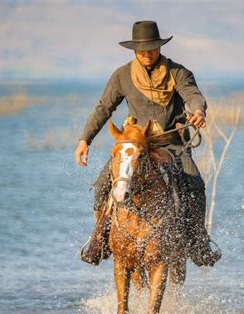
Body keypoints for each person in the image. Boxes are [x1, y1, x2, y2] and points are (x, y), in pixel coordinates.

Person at [75, 21, 221, 267]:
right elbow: (103, 108)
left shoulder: (178, 72)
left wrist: (199, 111)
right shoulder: (122, 76)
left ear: (159, 47)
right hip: (135, 146)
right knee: (102, 185)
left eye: (152, 48)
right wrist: (84, 139)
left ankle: (198, 243)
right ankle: (99, 241)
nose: (147, 53)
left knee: (194, 182)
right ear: (134, 50)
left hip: (170, 144)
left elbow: (193, 95)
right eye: (142, 49)